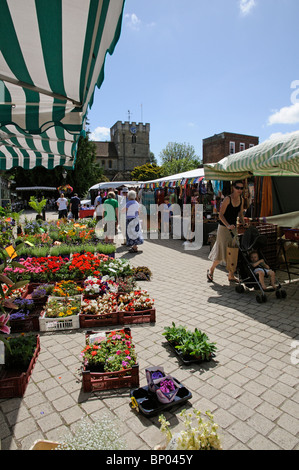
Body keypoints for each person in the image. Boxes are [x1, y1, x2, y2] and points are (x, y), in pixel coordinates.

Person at [207, 180, 247, 283]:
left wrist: (243, 222)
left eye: (241, 188)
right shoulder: (227, 199)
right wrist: (228, 225)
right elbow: (220, 215)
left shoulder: (241, 199)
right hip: (224, 228)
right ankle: (211, 270)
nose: (239, 190)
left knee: (233, 251)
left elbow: (241, 215)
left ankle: (231, 275)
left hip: (233, 228)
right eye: (237, 187)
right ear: (233, 187)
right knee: (222, 251)